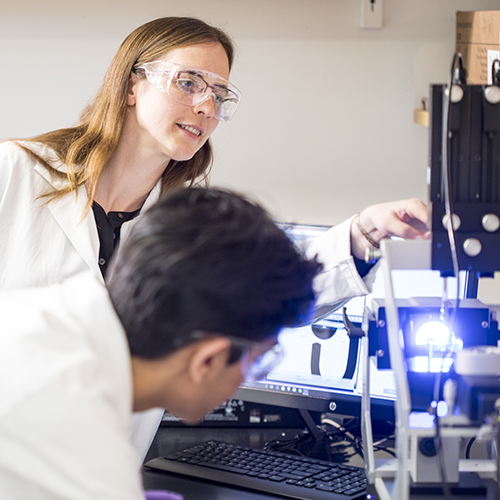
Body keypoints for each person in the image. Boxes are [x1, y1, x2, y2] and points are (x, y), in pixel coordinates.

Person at [0, 16, 429, 457]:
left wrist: (364, 233)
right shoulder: (15, 172)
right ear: (132, 86)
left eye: (219, 94)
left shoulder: (178, 223)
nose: (209, 106)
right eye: (189, 83)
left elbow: (261, 297)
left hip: (103, 461)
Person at [0, 187, 321, 500]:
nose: (255, 376)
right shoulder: (86, 455)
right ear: (208, 360)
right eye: (260, 360)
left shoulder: (42, 314)